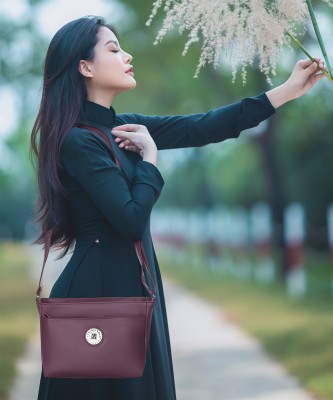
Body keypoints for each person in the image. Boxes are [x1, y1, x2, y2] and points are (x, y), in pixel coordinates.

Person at [30, 15, 325, 400]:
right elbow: (131, 220)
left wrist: (286, 91)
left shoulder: (123, 128)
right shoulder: (79, 143)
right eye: (114, 49)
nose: (127, 55)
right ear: (85, 67)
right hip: (98, 297)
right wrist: (150, 159)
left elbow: (201, 126)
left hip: (132, 286)